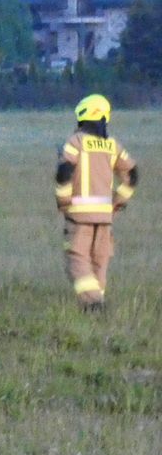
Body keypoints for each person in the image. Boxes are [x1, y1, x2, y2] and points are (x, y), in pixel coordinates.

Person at [54, 94, 138, 311]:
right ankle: (95, 305)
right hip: (105, 217)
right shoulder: (113, 145)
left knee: (77, 260)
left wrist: (63, 202)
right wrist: (117, 202)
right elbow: (132, 174)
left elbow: (64, 173)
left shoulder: (76, 142)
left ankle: (94, 303)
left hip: (78, 216)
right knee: (99, 262)